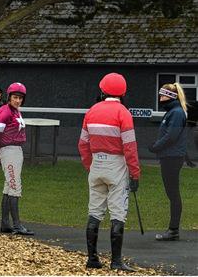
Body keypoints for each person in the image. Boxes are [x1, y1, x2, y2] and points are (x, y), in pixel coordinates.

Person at [78, 73, 140, 271]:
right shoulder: (123, 113)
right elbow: (130, 147)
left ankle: (92, 259)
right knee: (117, 214)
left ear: (103, 90)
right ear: (122, 92)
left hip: (96, 165)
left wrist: (90, 166)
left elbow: (82, 144)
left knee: (94, 212)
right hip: (117, 167)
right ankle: (116, 262)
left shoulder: (91, 111)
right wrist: (135, 174)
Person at [0, 82, 34, 236]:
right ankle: (17, 225)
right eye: (15, 97)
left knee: (9, 186)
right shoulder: (5, 112)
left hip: (15, 151)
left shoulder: (15, 112)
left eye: (20, 98)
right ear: (9, 97)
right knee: (15, 186)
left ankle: (5, 224)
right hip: (9, 150)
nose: (18, 101)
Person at [148, 83, 188, 241]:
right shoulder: (173, 111)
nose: (160, 98)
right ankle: (173, 230)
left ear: (170, 97)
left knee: (173, 193)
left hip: (171, 158)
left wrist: (155, 147)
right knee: (172, 193)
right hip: (170, 157)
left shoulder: (176, 112)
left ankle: (173, 230)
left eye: (163, 95)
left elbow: (172, 136)